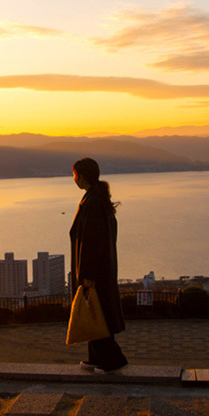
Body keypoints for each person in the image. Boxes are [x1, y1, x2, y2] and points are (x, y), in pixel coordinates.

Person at [69, 157, 128, 373]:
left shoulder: (92, 202)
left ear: (82, 176)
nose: (74, 179)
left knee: (94, 313)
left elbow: (90, 241)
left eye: (75, 175)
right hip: (104, 269)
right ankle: (95, 358)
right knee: (97, 311)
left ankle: (113, 360)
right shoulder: (98, 199)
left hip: (94, 271)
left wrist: (86, 273)